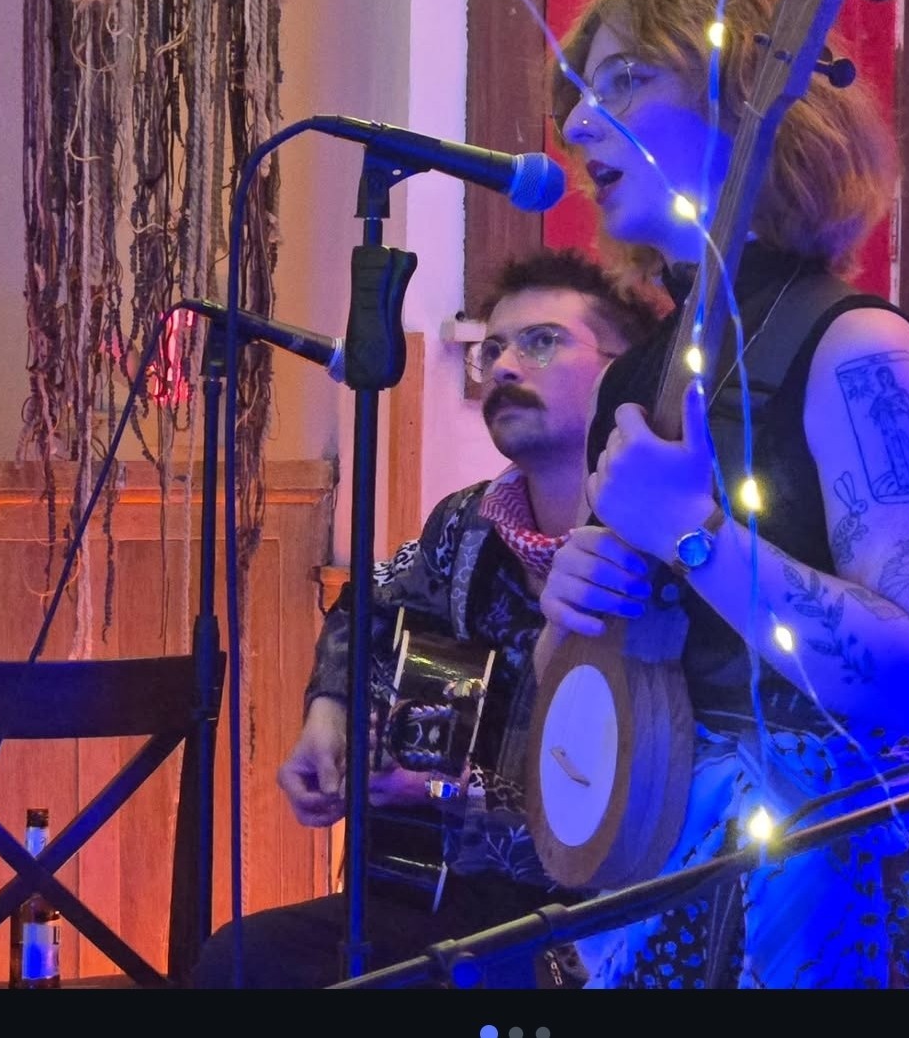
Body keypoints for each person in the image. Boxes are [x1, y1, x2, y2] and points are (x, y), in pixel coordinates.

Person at [533, 0, 909, 989]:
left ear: (745, 100)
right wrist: (564, 615)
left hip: (830, 894)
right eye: (579, 96)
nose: (575, 131)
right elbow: (620, 674)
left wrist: (697, 535)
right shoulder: (631, 376)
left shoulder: (857, 350)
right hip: (654, 882)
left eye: (620, 84)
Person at [189, 247, 663, 989]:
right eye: (492, 347)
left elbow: (621, 790)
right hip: (447, 893)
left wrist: (440, 791)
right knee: (240, 963)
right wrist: (328, 716)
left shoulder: (656, 542)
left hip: (599, 915)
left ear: (623, 371)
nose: (503, 365)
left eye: (540, 342)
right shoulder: (465, 526)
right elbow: (364, 606)